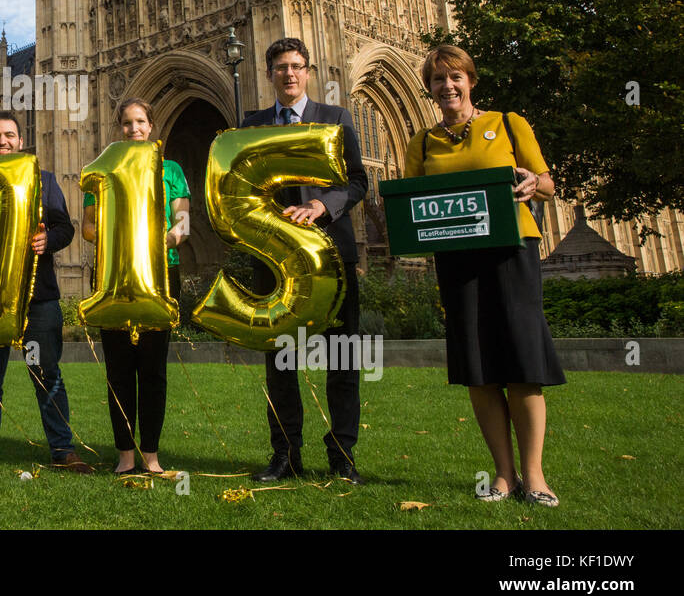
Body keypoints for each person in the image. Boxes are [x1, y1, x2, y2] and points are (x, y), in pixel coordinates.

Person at [404, 45, 563, 506]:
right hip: (458, 258)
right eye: (438, 80)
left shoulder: (508, 123)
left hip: (512, 250)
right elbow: (412, 202)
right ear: (429, 89)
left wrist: (535, 184)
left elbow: (547, 183)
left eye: (455, 77)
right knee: (478, 366)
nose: (447, 87)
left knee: (521, 358)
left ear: (470, 81)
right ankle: (503, 474)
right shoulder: (423, 142)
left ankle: (534, 475)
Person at [241, 37, 369, 484]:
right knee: (280, 361)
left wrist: (322, 206)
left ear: (308, 72)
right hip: (274, 262)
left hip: (330, 256)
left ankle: (342, 457)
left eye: (296, 66)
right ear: (270, 73)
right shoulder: (253, 125)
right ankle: (285, 455)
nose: (289, 74)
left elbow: (357, 182)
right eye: (281, 67)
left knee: (342, 358)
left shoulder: (335, 118)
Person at [0, 110, 92, 475]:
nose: (2, 142)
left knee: (43, 371)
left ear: (20, 140)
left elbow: (65, 228)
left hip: (36, 300)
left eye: (8, 135)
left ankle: (61, 449)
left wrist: (47, 240)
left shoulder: (42, 181)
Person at [80, 98, 189, 474]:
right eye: (127, 123)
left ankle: (151, 456)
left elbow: (183, 224)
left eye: (140, 121)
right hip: (114, 276)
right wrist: (120, 241)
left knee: (154, 369)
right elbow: (88, 227)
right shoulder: (104, 169)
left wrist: (159, 243)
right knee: (119, 369)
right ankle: (125, 455)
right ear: (120, 128)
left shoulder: (170, 169)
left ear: (151, 125)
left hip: (160, 274)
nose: (134, 129)